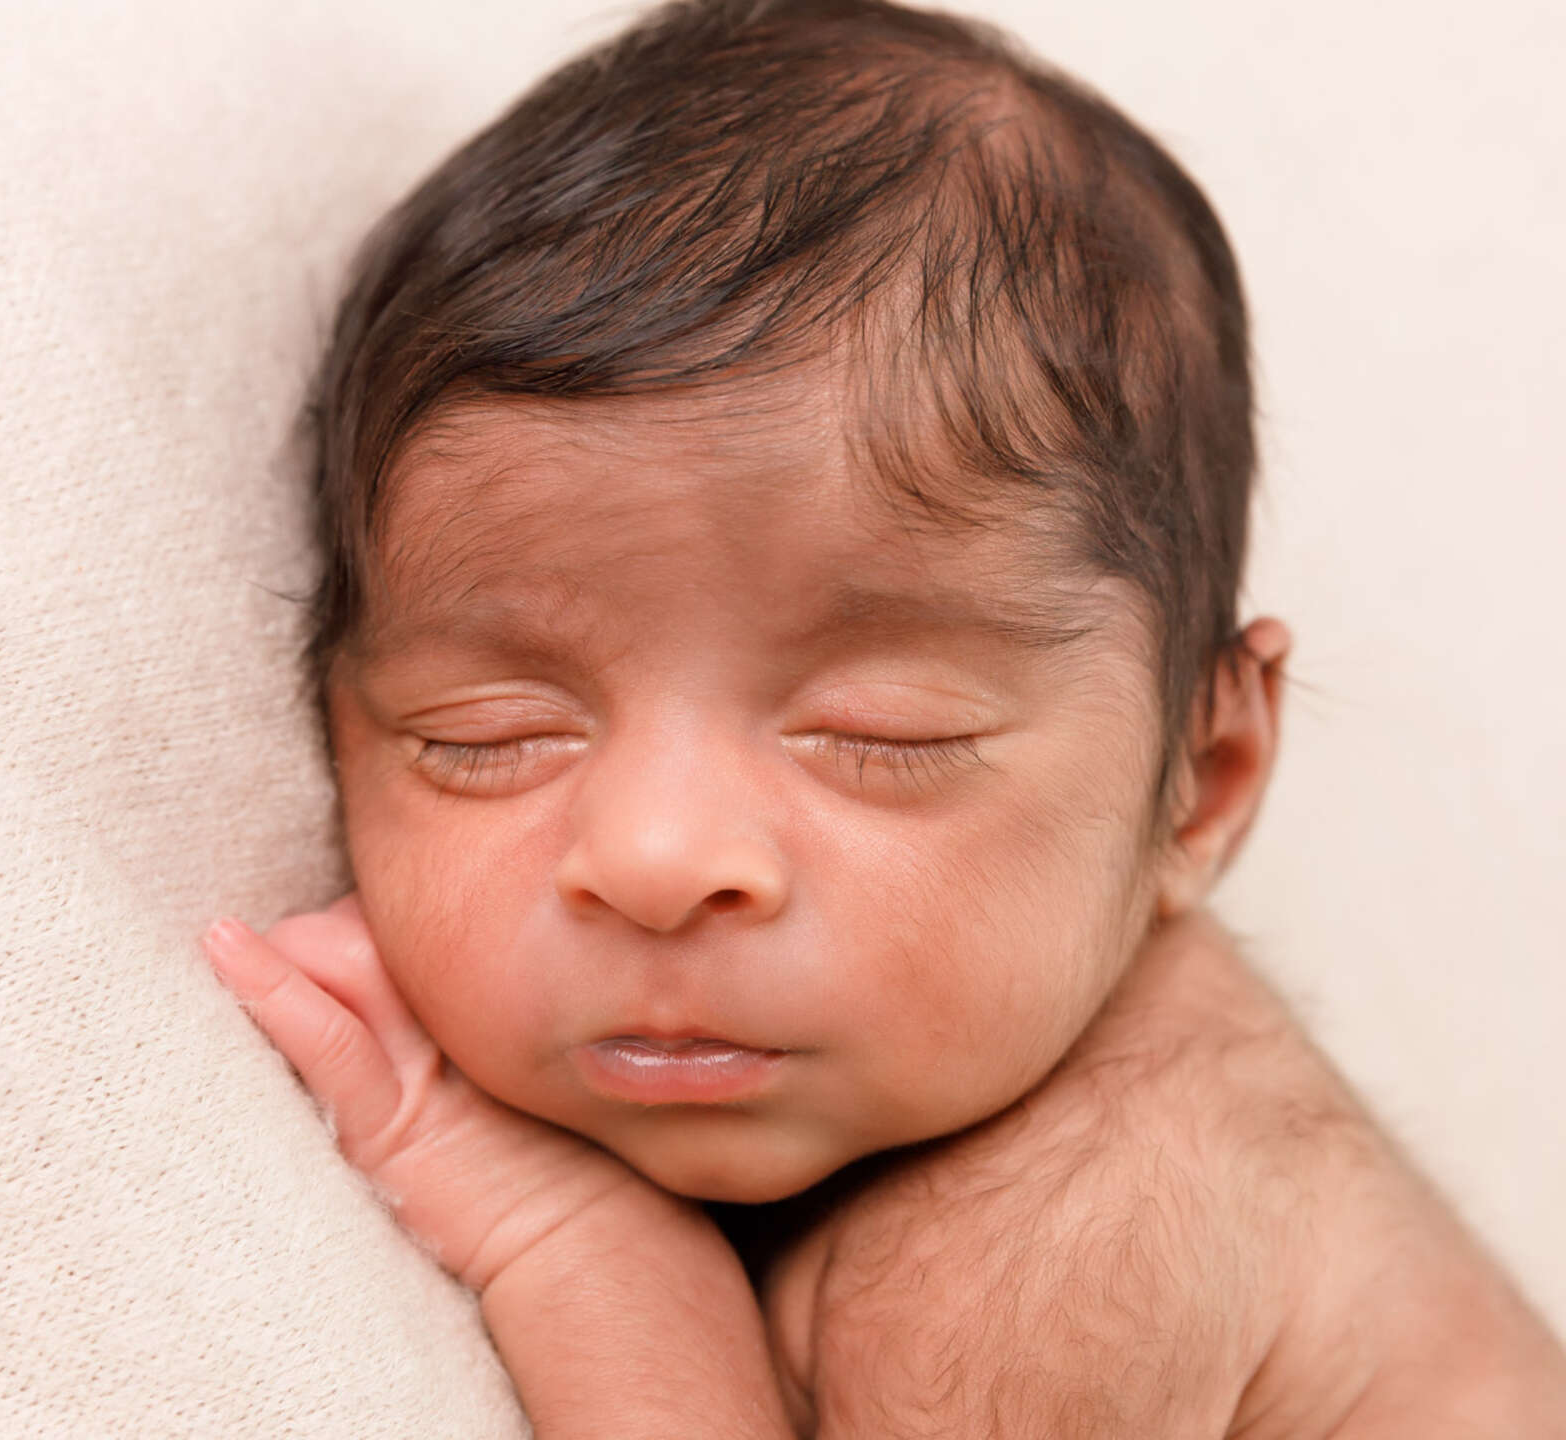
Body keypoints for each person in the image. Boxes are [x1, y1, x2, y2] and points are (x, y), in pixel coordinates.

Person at [200, 1, 1566, 1432]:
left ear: (1201, 780)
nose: (660, 859)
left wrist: (578, 1249)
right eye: (486, 735)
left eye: (881, 732)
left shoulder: (1072, 1234)